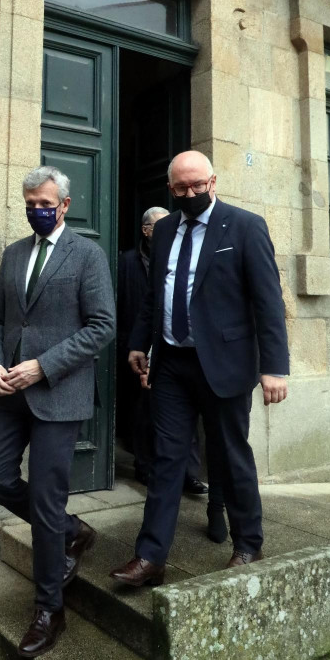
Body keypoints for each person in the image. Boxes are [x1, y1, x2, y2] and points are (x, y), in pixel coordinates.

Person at [110, 151, 289, 587]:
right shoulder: (167, 228)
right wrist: (139, 343)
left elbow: (268, 303)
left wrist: (275, 368)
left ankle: (248, 544)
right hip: (172, 362)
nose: (190, 194)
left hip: (225, 364)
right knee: (166, 458)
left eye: (197, 186)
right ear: (170, 189)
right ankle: (150, 557)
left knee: (231, 455)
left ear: (213, 181)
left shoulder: (245, 227)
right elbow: (156, 295)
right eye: (180, 189)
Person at [0, 165, 115, 658]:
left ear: (64, 205)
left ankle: (48, 609)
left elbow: (102, 327)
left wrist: (43, 365)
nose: (36, 211)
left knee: (43, 497)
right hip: (9, 392)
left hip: (60, 392)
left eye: (44, 204)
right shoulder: (15, 253)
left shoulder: (88, 255)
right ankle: (71, 530)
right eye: (29, 204)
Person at [117, 206, 209, 494]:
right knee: (143, 411)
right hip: (139, 347)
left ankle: (189, 474)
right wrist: (132, 343)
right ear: (146, 230)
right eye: (160, 225)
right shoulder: (126, 262)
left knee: (188, 412)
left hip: (175, 346)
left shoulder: (179, 254)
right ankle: (145, 467)